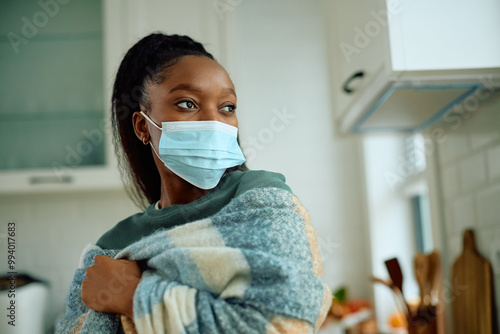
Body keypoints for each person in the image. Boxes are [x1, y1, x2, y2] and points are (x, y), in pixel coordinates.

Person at [56, 33, 331, 334]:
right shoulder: (113, 245)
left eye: (227, 107)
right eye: (188, 103)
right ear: (142, 126)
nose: (213, 122)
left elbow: (285, 322)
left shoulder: (261, 200)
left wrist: (133, 296)